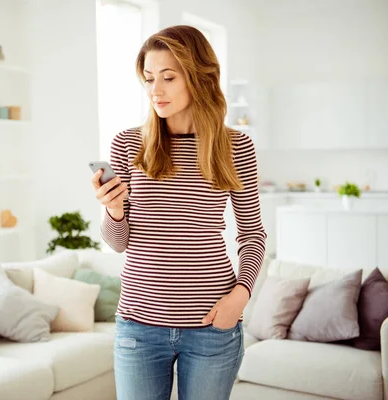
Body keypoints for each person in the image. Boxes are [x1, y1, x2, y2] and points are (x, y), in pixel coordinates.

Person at [91, 25, 267, 400]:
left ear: (199, 77)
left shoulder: (236, 147)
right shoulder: (128, 143)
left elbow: (252, 235)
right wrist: (114, 209)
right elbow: (118, 244)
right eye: (150, 78)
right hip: (138, 326)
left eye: (168, 77)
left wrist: (239, 297)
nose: (156, 90)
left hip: (211, 325)